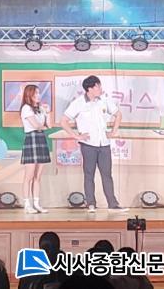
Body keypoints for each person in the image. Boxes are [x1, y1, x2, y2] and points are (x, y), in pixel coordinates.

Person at [61, 75, 128, 213]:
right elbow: (64, 121)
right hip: (88, 144)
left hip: (104, 144)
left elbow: (118, 114)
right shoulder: (78, 103)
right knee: (89, 174)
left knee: (107, 174)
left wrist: (113, 132)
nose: (100, 88)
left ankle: (113, 204)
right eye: (98, 86)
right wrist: (76, 135)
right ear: (89, 89)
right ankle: (91, 204)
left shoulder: (104, 100)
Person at [20, 84, 51, 214]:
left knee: (38, 176)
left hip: (41, 139)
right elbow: (36, 125)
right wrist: (42, 126)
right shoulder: (26, 108)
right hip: (31, 139)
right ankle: (27, 204)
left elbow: (49, 125)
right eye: (35, 93)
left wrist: (48, 113)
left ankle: (37, 204)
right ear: (29, 95)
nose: (38, 96)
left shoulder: (40, 109)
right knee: (29, 176)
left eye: (39, 93)